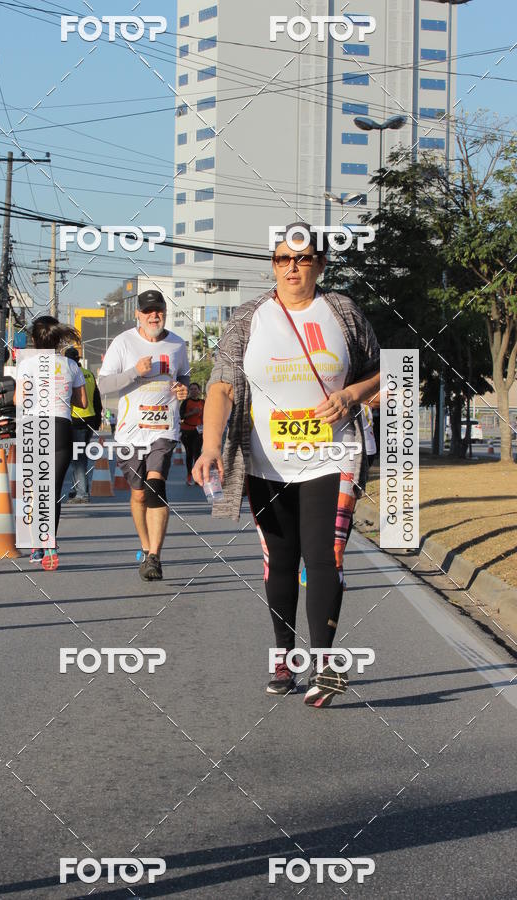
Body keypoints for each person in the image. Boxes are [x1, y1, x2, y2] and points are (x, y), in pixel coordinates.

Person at [193, 224, 380, 708]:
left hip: (334, 457)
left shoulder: (343, 312)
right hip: (265, 462)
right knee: (281, 559)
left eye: (302, 259)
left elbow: (389, 375)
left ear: (320, 265)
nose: (292, 268)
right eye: (282, 259)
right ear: (273, 266)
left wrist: (352, 394)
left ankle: (324, 665)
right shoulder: (249, 318)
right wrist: (210, 446)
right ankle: (284, 654)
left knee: (325, 556)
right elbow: (221, 386)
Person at [98, 289, 189, 581]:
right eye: (147, 311)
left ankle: (154, 557)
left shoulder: (177, 344)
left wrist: (186, 390)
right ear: (137, 314)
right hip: (128, 432)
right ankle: (146, 546)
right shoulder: (123, 343)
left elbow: (184, 376)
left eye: (158, 310)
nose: (154, 315)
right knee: (138, 495)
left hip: (163, 428)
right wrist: (134, 372)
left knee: (154, 487)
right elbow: (104, 386)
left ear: (165, 312)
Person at [17, 317, 87, 567]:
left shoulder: (26, 364)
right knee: (53, 491)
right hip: (60, 427)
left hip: (34, 426)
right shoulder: (71, 365)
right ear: (59, 338)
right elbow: (83, 403)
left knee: (35, 490)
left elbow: (19, 399)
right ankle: (48, 546)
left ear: (34, 340)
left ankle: (36, 546)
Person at [64, 346, 102, 504]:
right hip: (90, 419)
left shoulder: (69, 373)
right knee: (77, 456)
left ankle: (82, 493)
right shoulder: (88, 373)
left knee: (78, 458)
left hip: (76, 419)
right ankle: (76, 489)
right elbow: (96, 397)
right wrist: (98, 419)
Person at [179, 381, 205, 485]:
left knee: (197, 454)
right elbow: (181, 416)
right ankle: (189, 475)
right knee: (189, 454)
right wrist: (192, 413)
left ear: (199, 391)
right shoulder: (186, 402)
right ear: (189, 391)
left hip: (199, 431)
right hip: (187, 431)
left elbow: (207, 416)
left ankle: (197, 476)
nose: (194, 391)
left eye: (196, 389)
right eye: (192, 389)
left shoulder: (203, 402)